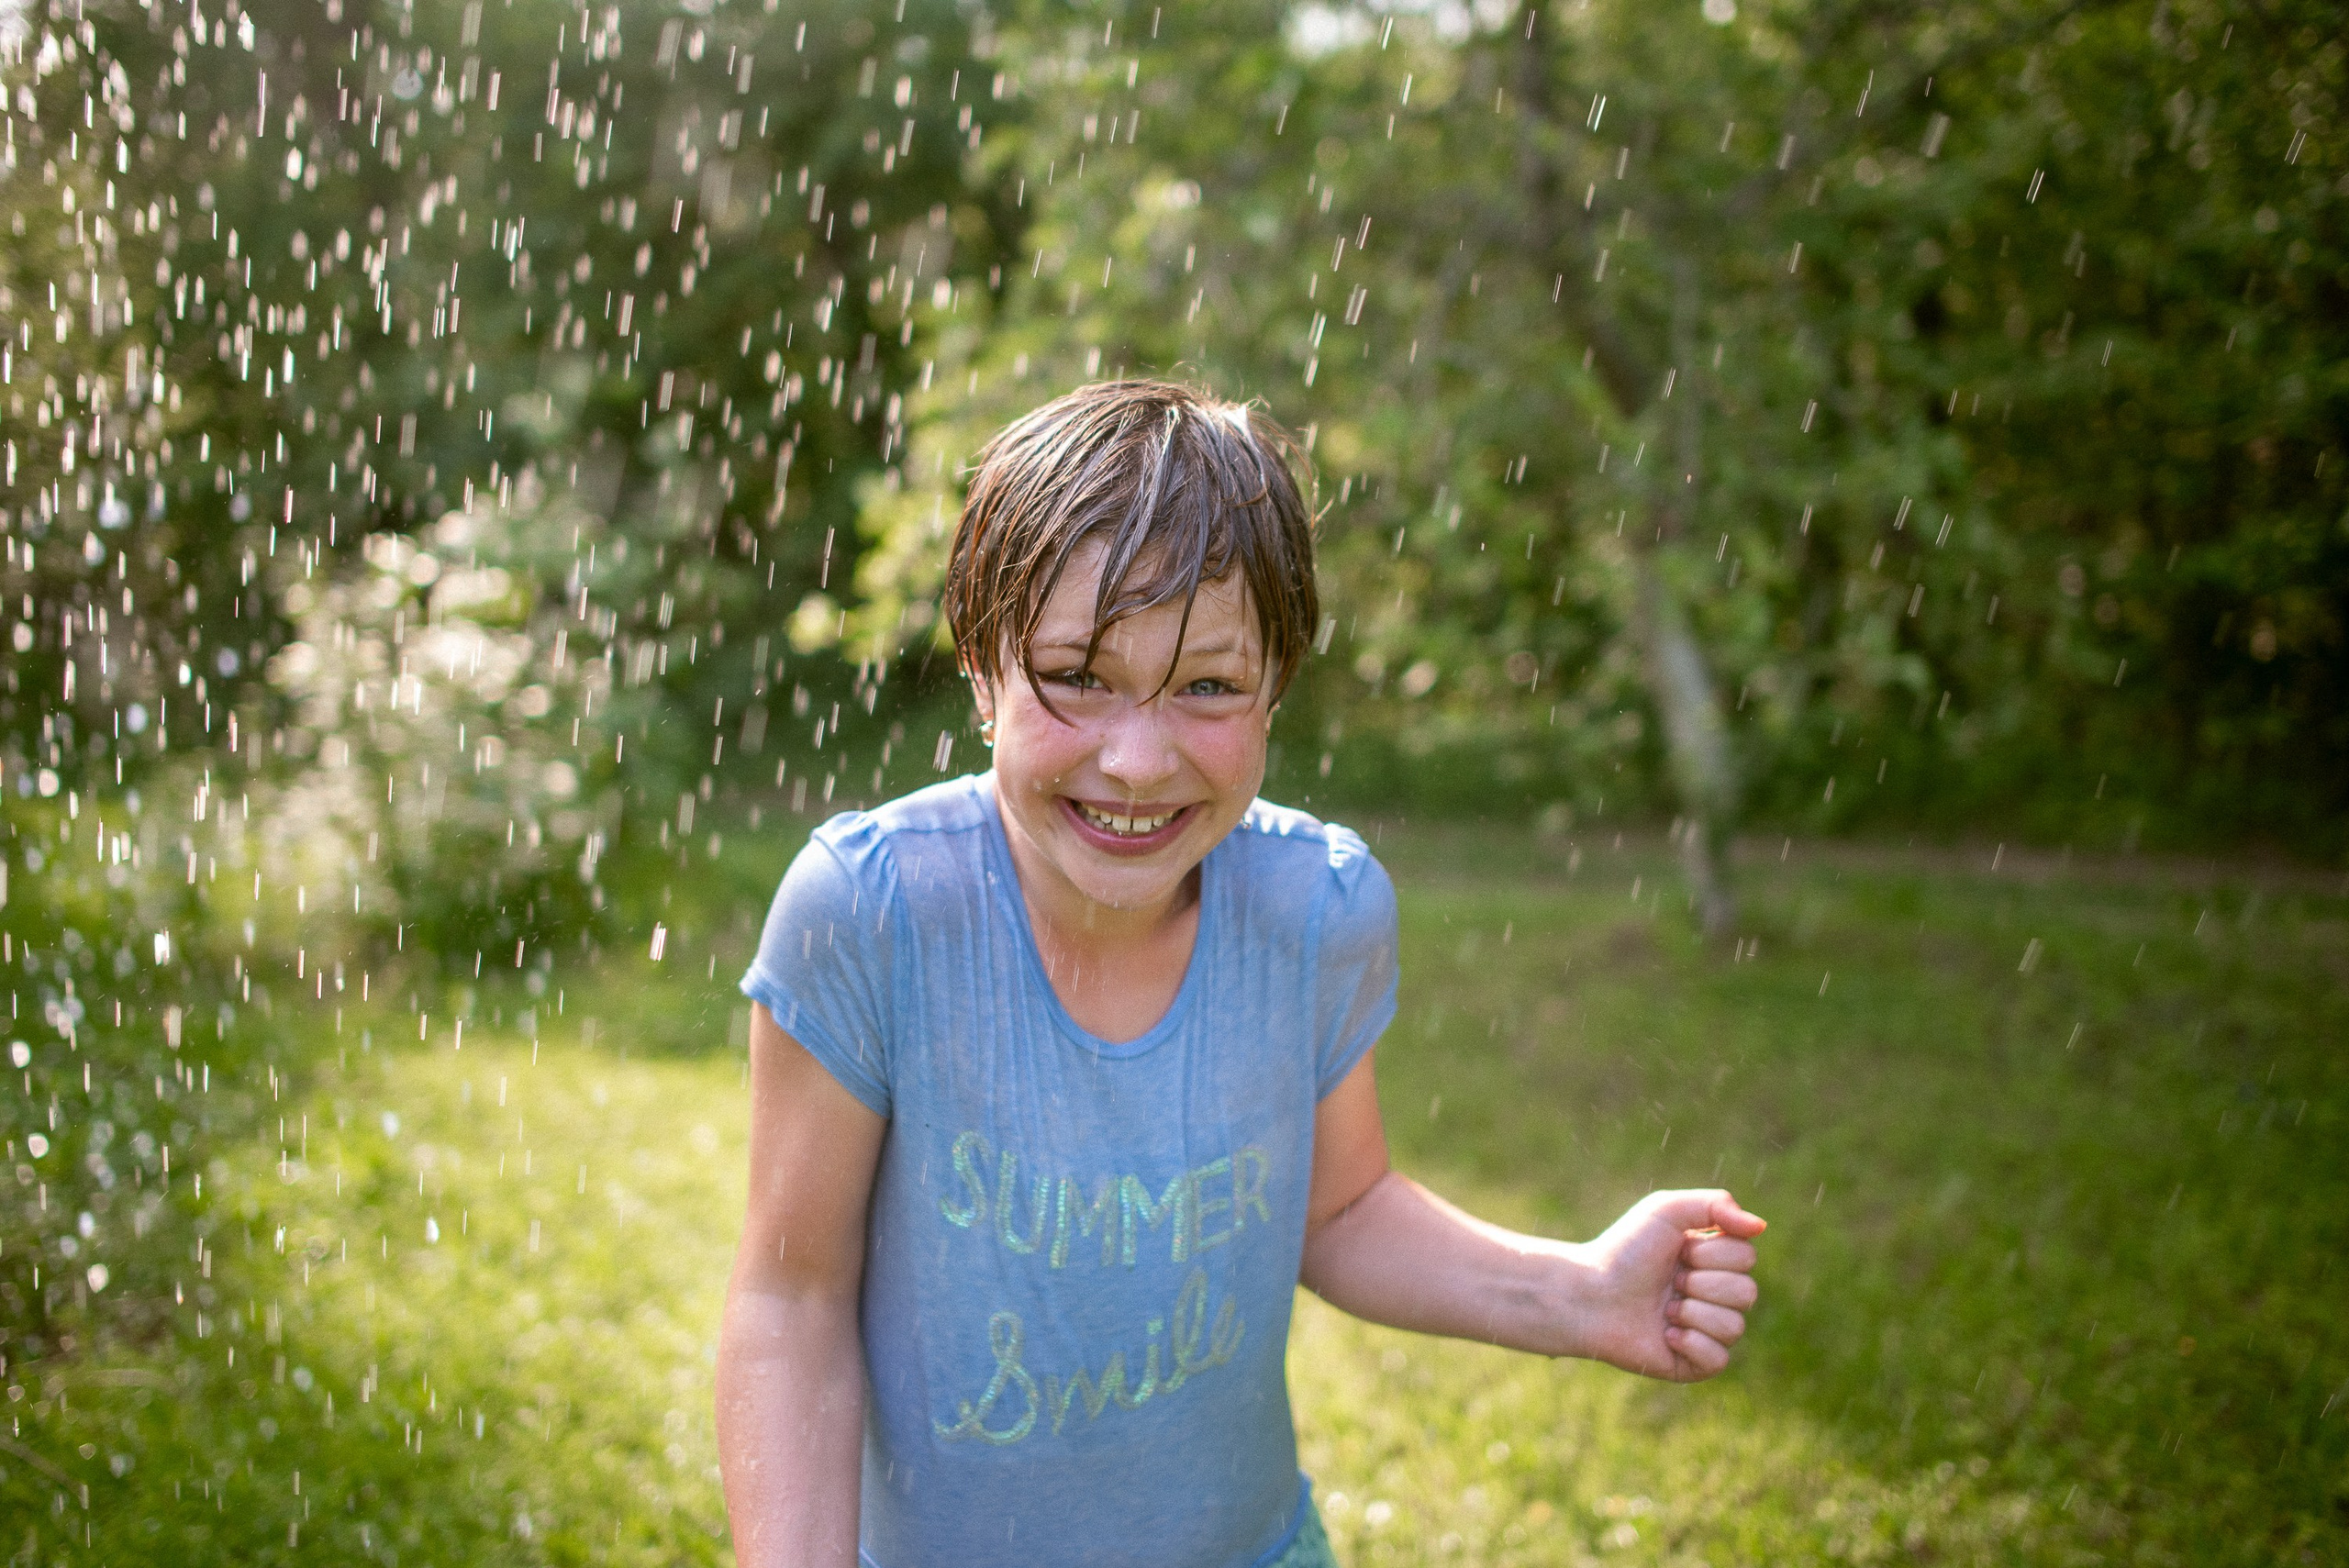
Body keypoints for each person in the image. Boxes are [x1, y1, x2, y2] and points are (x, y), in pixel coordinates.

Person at [716, 380, 1766, 1568]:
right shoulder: (872, 911)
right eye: (1077, 674)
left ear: (1278, 682)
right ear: (979, 668)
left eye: (1208, 685)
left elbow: (1342, 1210)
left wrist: (1577, 1291)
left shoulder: (1316, 910)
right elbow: (792, 1303)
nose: (1135, 758)